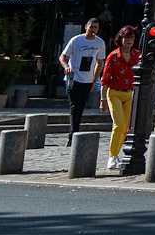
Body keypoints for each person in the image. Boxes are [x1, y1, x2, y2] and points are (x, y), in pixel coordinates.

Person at [60, 18, 106, 135]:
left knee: (81, 106)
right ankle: (72, 133)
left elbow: (99, 62)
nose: (93, 30)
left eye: (96, 27)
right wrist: (66, 67)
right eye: (91, 27)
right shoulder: (76, 40)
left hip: (88, 79)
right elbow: (63, 57)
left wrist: (94, 81)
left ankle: (75, 131)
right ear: (86, 26)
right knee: (74, 104)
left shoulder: (100, 43)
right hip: (72, 77)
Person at [101, 26, 139, 161]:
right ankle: (112, 156)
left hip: (129, 94)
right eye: (127, 38)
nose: (129, 41)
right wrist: (103, 99)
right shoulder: (113, 56)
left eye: (132, 38)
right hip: (114, 93)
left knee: (125, 128)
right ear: (121, 38)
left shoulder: (136, 55)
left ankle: (115, 153)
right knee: (118, 124)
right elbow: (105, 79)